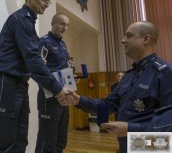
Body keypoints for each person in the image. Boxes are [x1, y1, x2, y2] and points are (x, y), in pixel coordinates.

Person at [0, 0, 72, 153]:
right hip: (7, 83)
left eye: (48, 1)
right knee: (3, 145)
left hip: (19, 84)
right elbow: (33, 61)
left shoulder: (29, 23)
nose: (46, 4)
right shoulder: (20, 19)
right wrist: (57, 89)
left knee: (19, 142)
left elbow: (33, 61)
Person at [69, 21, 172, 153]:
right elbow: (106, 105)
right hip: (126, 147)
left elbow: (168, 132)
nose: (123, 40)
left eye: (128, 36)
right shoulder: (128, 76)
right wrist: (77, 100)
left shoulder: (165, 73)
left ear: (146, 39)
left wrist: (131, 129)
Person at [35, 13, 71, 153]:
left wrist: (72, 80)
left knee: (61, 139)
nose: (64, 27)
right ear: (53, 23)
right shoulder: (43, 41)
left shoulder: (63, 44)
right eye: (62, 23)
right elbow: (38, 70)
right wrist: (55, 90)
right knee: (47, 140)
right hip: (49, 97)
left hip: (65, 95)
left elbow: (64, 68)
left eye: (67, 25)